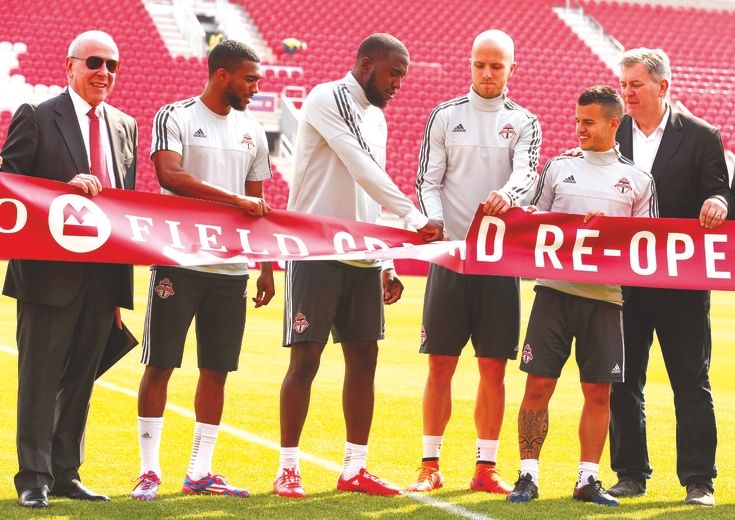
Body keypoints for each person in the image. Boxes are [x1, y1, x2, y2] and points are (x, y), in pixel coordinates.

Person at [272, 33, 443, 499]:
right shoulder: (328, 97)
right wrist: (414, 216)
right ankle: (288, 467)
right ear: (367, 64)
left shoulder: (378, 120)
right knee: (305, 359)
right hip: (316, 251)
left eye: (404, 76)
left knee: (364, 360)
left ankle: (355, 468)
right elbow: (360, 164)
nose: (398, 84)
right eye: (393, 73)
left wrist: (386, 259)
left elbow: (373, 189)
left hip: (364, 256)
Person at [131, 40, 273, 501]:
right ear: (223, 75)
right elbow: (169, 177)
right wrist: (234, 200)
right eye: (250, 78)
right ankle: (149, 471)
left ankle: (200, 471)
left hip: (230, 271)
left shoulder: (254, 131)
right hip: (180, 261)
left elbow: (260, 208)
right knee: (161, 364)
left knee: (216, 370)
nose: (256, 87)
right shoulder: (176, 116)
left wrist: (267, 266)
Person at [0, 30, 137, 508]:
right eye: (95, 63)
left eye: (112, 66)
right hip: (46, 275)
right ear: (70, 66)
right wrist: (62, 188)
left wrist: (122, 292)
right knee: (39, 378)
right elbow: (10, 186)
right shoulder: (36, 116)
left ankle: (65, 473)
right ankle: (32, 479)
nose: (104, 73)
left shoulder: (125, 126)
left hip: (103, 278)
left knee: (81, 378)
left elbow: (124, 209)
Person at [507, 86, 657, 506]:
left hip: (606, 300)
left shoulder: (639, 180)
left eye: (588, 122)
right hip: (553, 294)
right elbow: (533, 223)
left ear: (614, 123)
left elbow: (648, 245)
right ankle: (527, 476)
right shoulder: (557, 168)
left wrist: (607, 230)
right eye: (577, 121)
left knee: (598, 392)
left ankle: (587, 480)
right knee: (538, 386)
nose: (579, 129)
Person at [408, 29, 540, 494]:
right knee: (440, 363)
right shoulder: (445, 116)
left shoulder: (524, 121)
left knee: (493, 368)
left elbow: (527, 172)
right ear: (470, 64)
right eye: (480, 64)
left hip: (498, 261)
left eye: (497, 66)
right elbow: (428, 180)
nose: (487, 73)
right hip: (450, 257)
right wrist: (438, 223)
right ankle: (429, 463)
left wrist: (506, 194)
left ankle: (485, 467)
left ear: (510, 69)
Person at [607, 48, 730, 508]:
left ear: (662, 86)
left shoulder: (701, 136)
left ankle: (699, 481)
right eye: (623, 84)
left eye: (635, 84)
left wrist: (718, 202)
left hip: (681, 285)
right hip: (624, 283)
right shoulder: (612, 129)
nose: (627, 92)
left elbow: (721, 190)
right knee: (623, 380)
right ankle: (630, 475)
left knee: (690, 382)